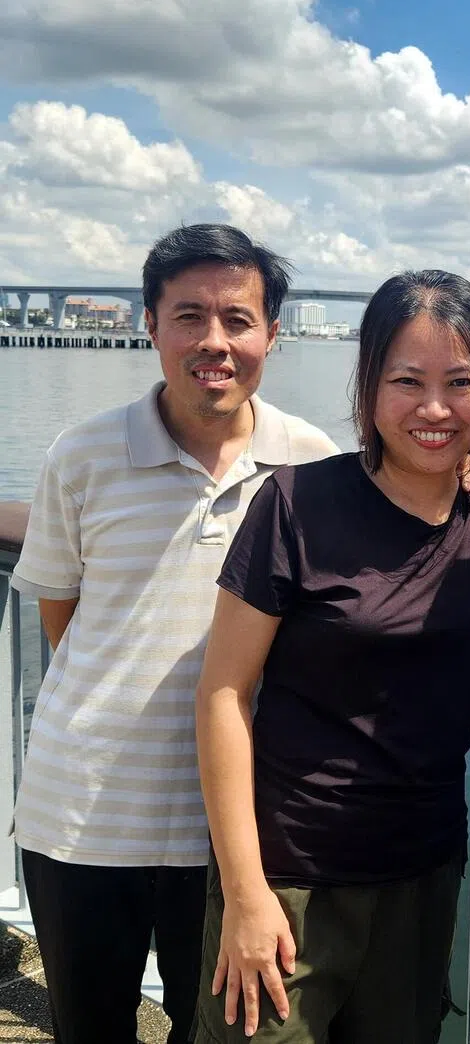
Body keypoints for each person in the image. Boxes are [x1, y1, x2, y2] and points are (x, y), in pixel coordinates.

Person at [9, 224, 339, 1044]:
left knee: (226, 1032)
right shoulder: (82, 456)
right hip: (80, 819)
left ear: (272, 335)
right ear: (149, 324)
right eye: (188, 315)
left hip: (234, 840)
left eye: (238, 318)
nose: (214, 342)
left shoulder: (313, 464)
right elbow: (66, 621)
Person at [194, 270, 470, 1043]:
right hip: (289, 878)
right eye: (407, 380)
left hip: (422, 873)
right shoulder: (297, 503)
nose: (434, 408)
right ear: (370, 386)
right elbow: (223, 694)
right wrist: (245, 891)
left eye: (460, 382)